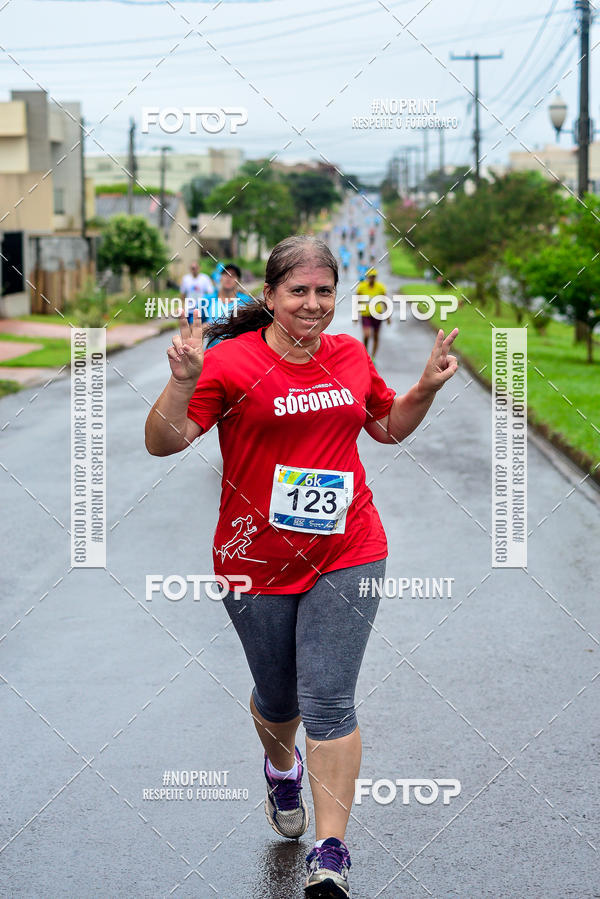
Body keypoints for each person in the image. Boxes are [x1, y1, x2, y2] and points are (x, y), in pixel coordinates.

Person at [145, 236, 458, 898]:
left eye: (323, 290)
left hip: (350, 548)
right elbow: (163, 442)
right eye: (298, 291)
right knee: (280, 699)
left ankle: (332, 848)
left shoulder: (347, 354)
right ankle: (280, 765)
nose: (313, 303)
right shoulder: (229, 363)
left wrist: (424, 389)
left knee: (328, 698)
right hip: (251, 561)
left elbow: (387, 425)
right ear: (270, 295)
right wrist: (182, 382)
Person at [188, 263, 253, 348]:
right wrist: (202, 328)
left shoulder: (246, 301)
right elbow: (192, 326)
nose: (228, 278)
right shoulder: (207, 300)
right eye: (225, 274)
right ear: (220, 278)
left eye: (233, 275)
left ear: (238, 280)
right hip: (212, 354)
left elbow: (254, 329)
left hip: (238, 354)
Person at [356, 267, 390, 360]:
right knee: (367, 335)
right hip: (366, 314)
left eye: (374, 277)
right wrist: (355, 315)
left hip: (377, 314)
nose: (372, 278)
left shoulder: (380, 287)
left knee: (375, 335)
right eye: (370, 277)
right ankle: (366, 353)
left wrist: (388, 316)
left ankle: (373, 357)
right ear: (367, 277)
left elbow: (385, 301)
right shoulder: (361, 287)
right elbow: (357, 301)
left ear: (376, 277)